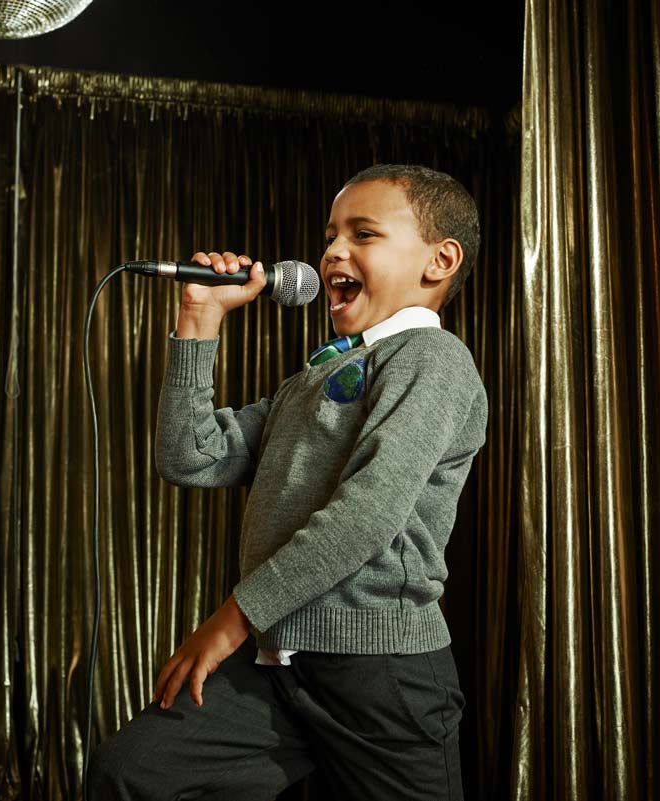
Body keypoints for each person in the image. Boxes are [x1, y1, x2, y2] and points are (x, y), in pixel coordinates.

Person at [88, 164, 488, 800]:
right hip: (280, 665)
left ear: (439, 261)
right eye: (330, 235)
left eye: (363, 234)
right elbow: (191, 456)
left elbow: (366, 514)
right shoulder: (312, 380)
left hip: (380, 674)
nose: (332, 250)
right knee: (134, 770)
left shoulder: (433, 360)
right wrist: (200, 320)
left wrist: (231, 620)